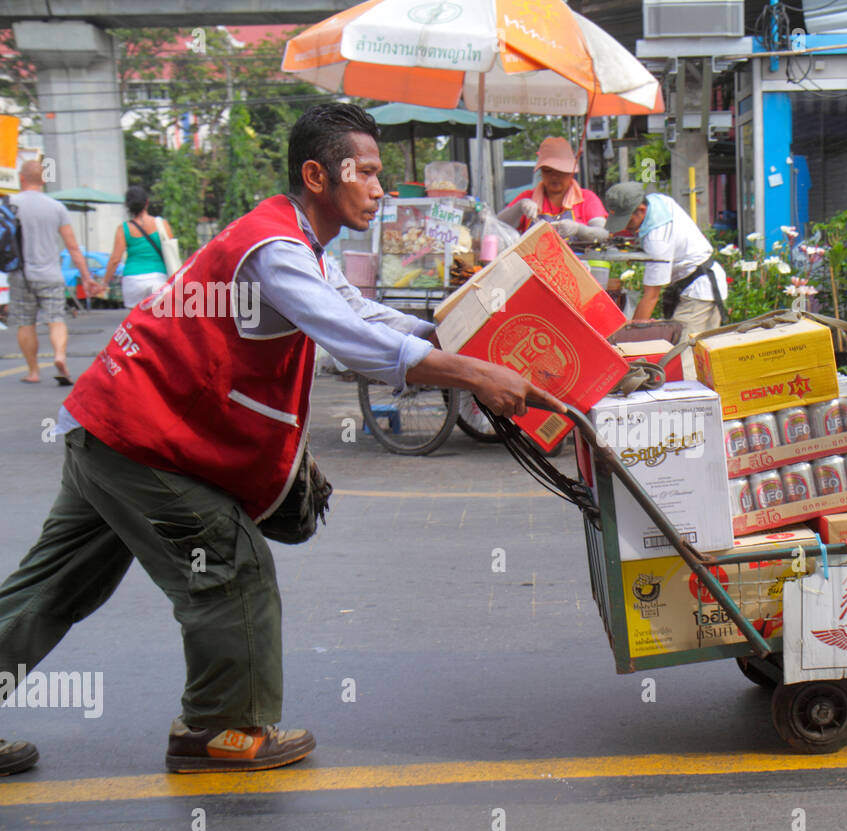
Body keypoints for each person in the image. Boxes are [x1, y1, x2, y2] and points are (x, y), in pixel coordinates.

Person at [0, 103, 564, 777]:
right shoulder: (274, 249)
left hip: (110, 427)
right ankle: (219, 730)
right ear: (317, 175)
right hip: (139, 437)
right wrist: (471, 370)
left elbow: (358, 312)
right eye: (368, 172)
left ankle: (217, 724)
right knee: (228, 565)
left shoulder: (293, 243)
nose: (380, 189)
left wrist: (446, 335)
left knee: (54, 587)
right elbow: (352, 341)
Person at [8, 160, 108, 385]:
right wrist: (86, 277)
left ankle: (33, 372)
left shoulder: (9, 205)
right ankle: (60, 356)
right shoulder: (56, 207)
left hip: (20, 274)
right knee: (56, 320)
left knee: (26, 323)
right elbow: (73, 247)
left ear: (21, 179)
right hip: (51, 275)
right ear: (43, 180)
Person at [603, 181, 728, 338]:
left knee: (684, 355)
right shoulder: (658, 201)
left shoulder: (657, 240)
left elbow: (651, 295)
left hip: (699, 292)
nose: (624, 227)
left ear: (641, 210)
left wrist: (629, 336)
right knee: (699, 353)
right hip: (694, 281)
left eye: (627, 221)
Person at [497, 137, 610, 244]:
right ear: (541, 172)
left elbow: (603, 233)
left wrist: (578, 229)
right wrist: (518, 208)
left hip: (580, 261)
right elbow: (497, 227)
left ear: (571, 173)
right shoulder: (527, 197)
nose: (554, 177)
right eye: (548, 171)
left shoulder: (587, 198)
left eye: (561, 171)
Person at [101, 185, 173, 309]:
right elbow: (171, 253)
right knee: (159, 322)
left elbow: (115, 260)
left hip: (132, 280)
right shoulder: (162, 224)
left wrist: (104, 283)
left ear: (128, 206)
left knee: (136, 324)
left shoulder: (123, 229)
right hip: (158, 279)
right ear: (147, 202)